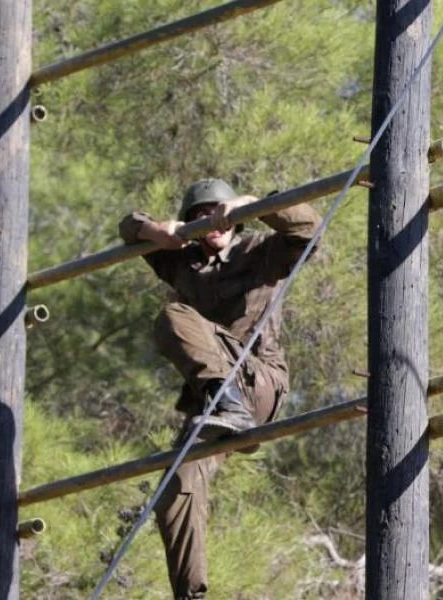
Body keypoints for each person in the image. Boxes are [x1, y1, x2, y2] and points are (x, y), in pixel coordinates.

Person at [118, 178, 320, 599]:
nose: (210, 221)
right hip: (214, 409)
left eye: (217, 212)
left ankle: (229, 406)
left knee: (173, 315)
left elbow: (308, 227)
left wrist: (251, 204)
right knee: (178, 480)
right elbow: (126, 225)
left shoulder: (263, 252)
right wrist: (158, 232)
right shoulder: (181, 262)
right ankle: (191, 593)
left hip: (258, 382)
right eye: (199, 216)